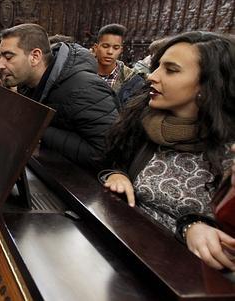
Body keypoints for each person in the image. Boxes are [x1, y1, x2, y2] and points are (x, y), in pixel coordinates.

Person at [100, 32, 235, 271]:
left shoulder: (230, 151)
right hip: (128, 256)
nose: (152, 76)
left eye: (171, 70)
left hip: (190, 278)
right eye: (157, 66)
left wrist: (194, 226)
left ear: (207, 85)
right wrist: (116, 174)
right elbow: (112, 162)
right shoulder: (143, 123)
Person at [0, 23, 118, 170]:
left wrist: (38, 129)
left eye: (8, 57)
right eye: (0, 57)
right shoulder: (27, 84)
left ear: (35, 57)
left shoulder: (84, 89)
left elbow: (107, 153)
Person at [93, 24, 144, 105]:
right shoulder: (81, 72)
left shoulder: (132, 81)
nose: (110, 52)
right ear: (96, 48)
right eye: (105, 46)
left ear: (121, 50)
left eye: (116, 48)